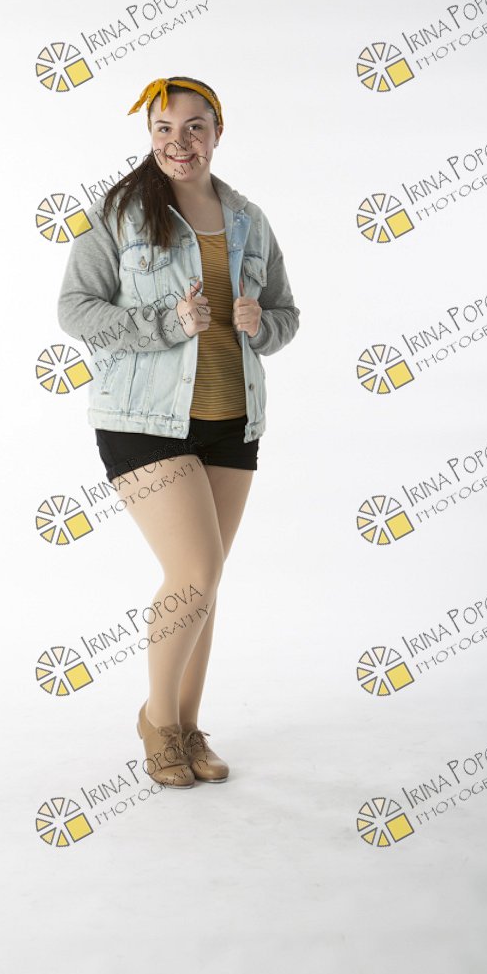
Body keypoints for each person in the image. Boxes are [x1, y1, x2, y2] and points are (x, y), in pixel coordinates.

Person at [57, 76, 299, 788]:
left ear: (218, 132)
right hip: (143, 420)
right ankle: (158, 723)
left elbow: (285, 314)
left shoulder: (250, 219)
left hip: (232, 419)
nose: (179, 142)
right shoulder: (120, 212)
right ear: (150, 137)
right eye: (163, 129)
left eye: (194, 127)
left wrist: (262, 323)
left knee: (207, 581)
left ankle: (191, 729)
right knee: (192, 571)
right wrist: (166, 323)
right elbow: (75, 309)